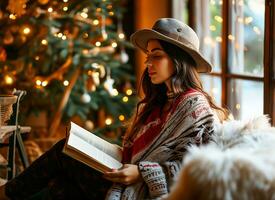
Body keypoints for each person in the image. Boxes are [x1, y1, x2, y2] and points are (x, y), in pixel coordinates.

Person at [0, 18, 228, 200]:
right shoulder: (159, 101)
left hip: (144, 190)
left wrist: (141, 173)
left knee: (62, 153)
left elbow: (199, 167)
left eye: (157, 56)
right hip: (125, 176)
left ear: (179, 60)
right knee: (63, 185)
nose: (148, 64)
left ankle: (6, 193)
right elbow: (138, 151)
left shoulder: (194, 106)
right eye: (148, 56)